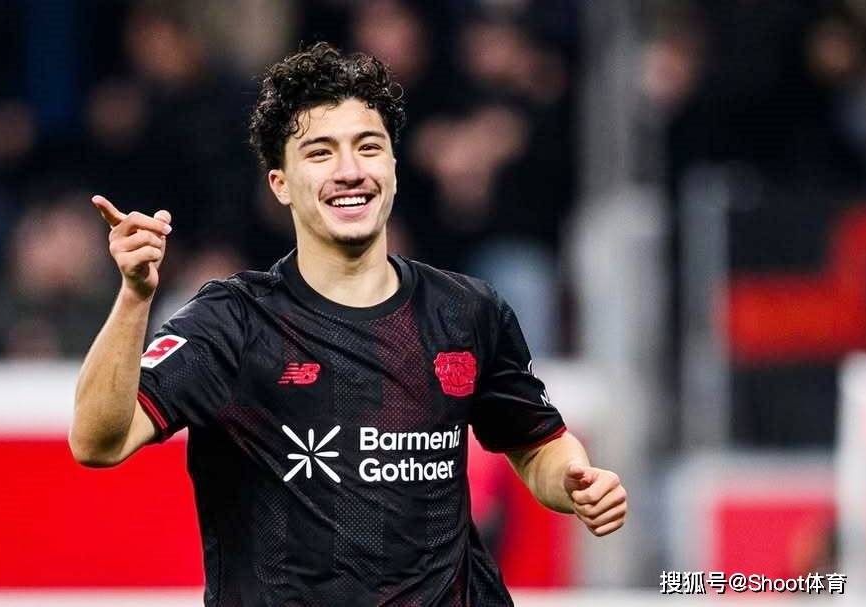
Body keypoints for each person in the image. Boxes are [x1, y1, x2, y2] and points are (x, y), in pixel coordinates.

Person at [70, 42, 627, 606]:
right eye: (320, 153)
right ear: (280, 184)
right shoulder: (231, 322)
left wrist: (575, 481)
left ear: (393, 168)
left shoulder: (466, 311)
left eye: (369, 147)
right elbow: (98, 441)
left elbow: (537, 447)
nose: (350, 171)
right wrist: (135, 297)